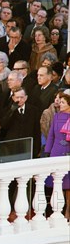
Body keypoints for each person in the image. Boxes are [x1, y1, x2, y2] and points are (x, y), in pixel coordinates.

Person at [44, 90, 70, 220]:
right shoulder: (56, 117)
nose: (60, 105)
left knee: (68, 186)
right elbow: (51, 136)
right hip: (56, 152)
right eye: (60, 102)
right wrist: (47, 151)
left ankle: (68, 211)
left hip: (68, 152)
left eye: (63, 103)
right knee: (56, 183)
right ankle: (57, 211)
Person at [0, 87, 41, 160]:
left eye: (22, 97)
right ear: (13, 98)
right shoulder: (7, 110)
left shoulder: (34, 110)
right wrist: (11, 111)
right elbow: (3, 125)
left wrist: (37, 149)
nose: (19, 100)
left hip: (28, 147)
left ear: (26, 97)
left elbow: (37, 131)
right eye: (17, 97)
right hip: (12, 148)